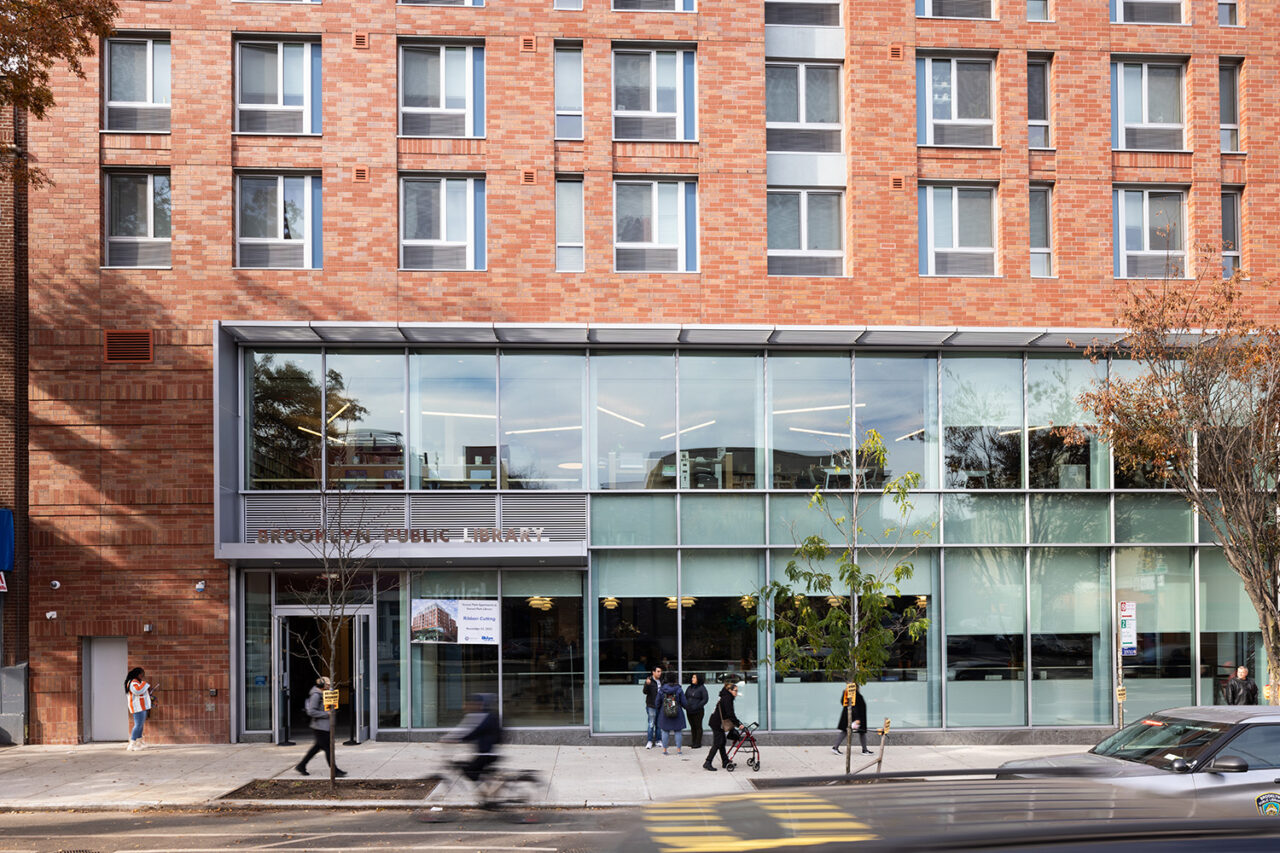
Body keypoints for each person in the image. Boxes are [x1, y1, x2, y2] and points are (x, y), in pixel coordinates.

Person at [443, 693, 502, 783]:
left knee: (470, 772)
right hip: (486, 753)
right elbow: (466, 729)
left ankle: (492, 787)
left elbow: (475, 731)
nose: (468, 706)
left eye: (472, 704)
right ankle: (487, 787)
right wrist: (453, 737)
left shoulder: (486, 717)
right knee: (469, 768)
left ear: (480, 704)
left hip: (487, 754)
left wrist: (459, 739)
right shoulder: (484, 715)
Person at [295, 676, 347, 777]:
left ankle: (301, 765)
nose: (329, 686)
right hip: (320, 727)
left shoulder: (324, 693)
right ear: (322, 685)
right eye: (327, 684)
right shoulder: (316, 695)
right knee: (328, 748)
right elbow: (311, 711)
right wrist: (326, 714)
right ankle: (334, 770)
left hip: (325, 726)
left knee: (317, 747)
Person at [704, 680, 740, 771]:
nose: (737, 692)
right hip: (717, 723)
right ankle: (707, 762)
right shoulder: (727, 698)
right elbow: (730, 713)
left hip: (717, 722)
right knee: (717, 742)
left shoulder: (726, 696)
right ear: (730, 690)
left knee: (722, 742)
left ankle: (725, 761)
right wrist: (738, 724)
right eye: (735, 690)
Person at [832, 682, 871, 755]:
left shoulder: (847, 693)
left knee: (847, 731)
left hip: (851, 716)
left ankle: (835, 747)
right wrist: (857, 719)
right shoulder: (854, 694)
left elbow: (843, 703)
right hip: (855, 717)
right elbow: (855, 707)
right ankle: (864, 750)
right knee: (858, 732)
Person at [124, 667, 157, 751]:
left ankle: (139, 741)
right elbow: (137, 691)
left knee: (140, 724)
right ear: (137, 674)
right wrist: (145, 684)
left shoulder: (136, 682)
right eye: (142, 674)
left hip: (142, 706)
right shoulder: (132, 682)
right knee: (138, 725)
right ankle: (132, 743)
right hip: (138, 707)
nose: (142, 676)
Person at [657, 671, 688, 755]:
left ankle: (664, 750)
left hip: (664, 712)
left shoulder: (662, 689)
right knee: (678, 731)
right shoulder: (679, 689)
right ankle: (678, 750)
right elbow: (684, 702)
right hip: (677, 712)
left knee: (665, 731)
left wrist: (660, 709)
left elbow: (657, 702)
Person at [685, 672, 708, 750]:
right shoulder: (689, 688)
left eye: (694, 678)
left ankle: (698, 743)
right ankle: (693, 742)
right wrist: (685, 706)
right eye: (692, 677)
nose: (692, 679)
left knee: (698, 726)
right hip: (689, 710)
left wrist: (697, 706)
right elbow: (685, 697)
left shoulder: (702, 688)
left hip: (698, 711)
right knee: (692, 727)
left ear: (698, 679)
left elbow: (705, 699)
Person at [642, 665, 663, 749]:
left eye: (660, 671)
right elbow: (645, 692)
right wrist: (647, 684)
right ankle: (650, 741)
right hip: (651, 706)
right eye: (658, 671)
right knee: (651, 724)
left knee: (659, 725)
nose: (659, 673)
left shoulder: (661, 680)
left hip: (660, 706)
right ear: (653, 672)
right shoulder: (649, 680)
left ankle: (658, 740)